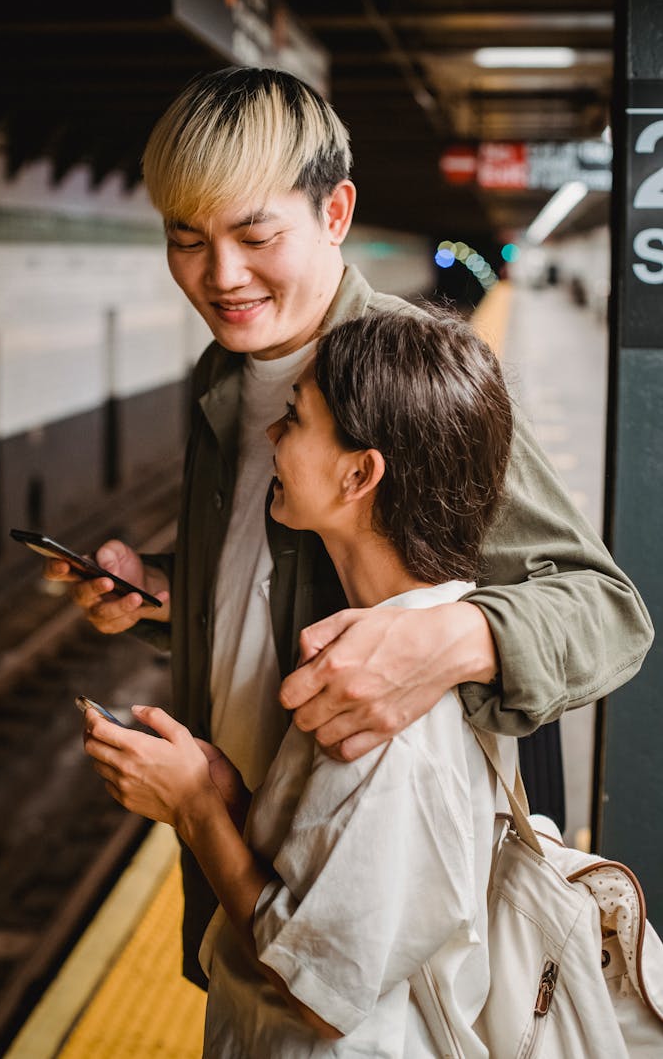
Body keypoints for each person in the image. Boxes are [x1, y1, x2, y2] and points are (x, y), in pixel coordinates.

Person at [46, 66, 652, 988]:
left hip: (396, 940)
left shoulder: (414, 382)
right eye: (186, 238)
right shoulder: (221, 379)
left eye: (256, 234)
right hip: (258, 893)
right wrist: (168, 591)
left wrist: (455, 636)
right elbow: (266, 573)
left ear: (336, 212)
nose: (221, 275)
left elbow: (609, 612)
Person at [82, 308, 518, 1055]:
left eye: (294, 418)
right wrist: (235, 799)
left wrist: (194, 809)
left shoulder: (393, 719)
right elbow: (340, 872)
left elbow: (319, 990)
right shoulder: (382, 652)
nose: (272, 437)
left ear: (359, 473)